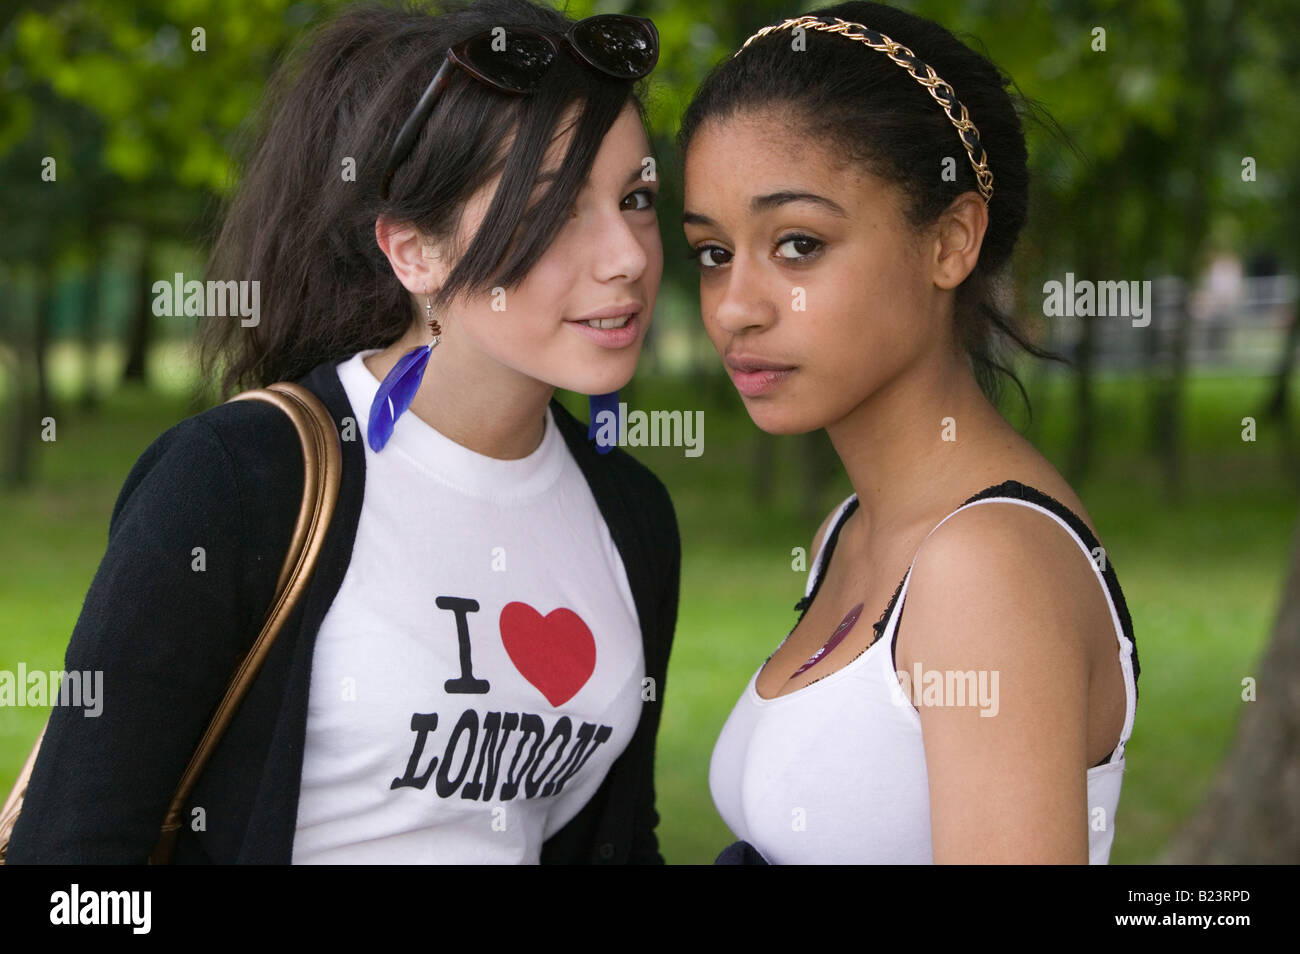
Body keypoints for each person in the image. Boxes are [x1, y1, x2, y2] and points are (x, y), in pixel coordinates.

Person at [7, 0, 678, 864]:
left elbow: (617, 845)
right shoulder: (238, 481)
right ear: (414, 253)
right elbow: (71, 865)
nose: (625, 254)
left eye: (637, 197)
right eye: (556, 207)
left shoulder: (631, 513)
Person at [679, 1, 1139, 863]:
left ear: (951, 241)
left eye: (799, 244)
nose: (736, 308)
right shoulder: (851, 531)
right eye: (713, 252)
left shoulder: (986, 566)